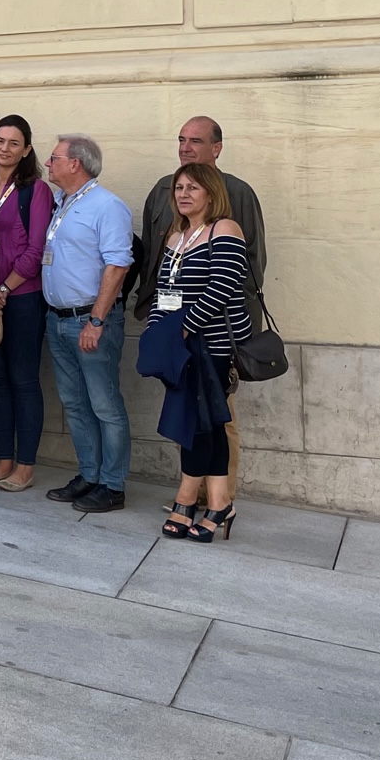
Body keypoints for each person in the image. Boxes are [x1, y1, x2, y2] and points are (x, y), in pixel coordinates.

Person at [143, 162, 250, 543]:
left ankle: (186, 498)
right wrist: (158, 334)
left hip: (213, 346)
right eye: (179, 188)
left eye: (193, 187)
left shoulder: (225, 230)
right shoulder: (176, 237)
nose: (184, 194)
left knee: (200, 424)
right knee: (204, 424)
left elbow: (221, 288)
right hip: (181, 347)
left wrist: (183, 329)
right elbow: (165, 295)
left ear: (211, 193)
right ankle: (220, 502)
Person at [43, 133, 136, 514]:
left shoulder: (107, 206)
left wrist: (96, 321)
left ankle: (112, 485)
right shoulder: (62, 203)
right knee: (75, 404)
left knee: (104, 404)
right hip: (58, 319)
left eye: (54, 158)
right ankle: (90, 475)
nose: (48, 164)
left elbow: (118, 265)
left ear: (74, 164)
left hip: (90, 320)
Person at [0, 116, 54, 490]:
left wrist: (3, 286)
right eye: (0, 140)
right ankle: (3, 459)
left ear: (27, 149)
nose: (4, 148)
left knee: (22, 380)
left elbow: (36, 250)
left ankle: (25, 465)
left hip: (21, 299)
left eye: (13, 143)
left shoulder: (35, 191)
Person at [135, 117, 266, 325]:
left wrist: (230, 313)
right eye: (181, 140)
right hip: (168, 313)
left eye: (195, 141)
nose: (185, 148)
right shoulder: (163, 189)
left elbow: (253, 262)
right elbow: (150, 252)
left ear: (216, 149)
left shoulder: (238, 192)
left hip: (219, 321)